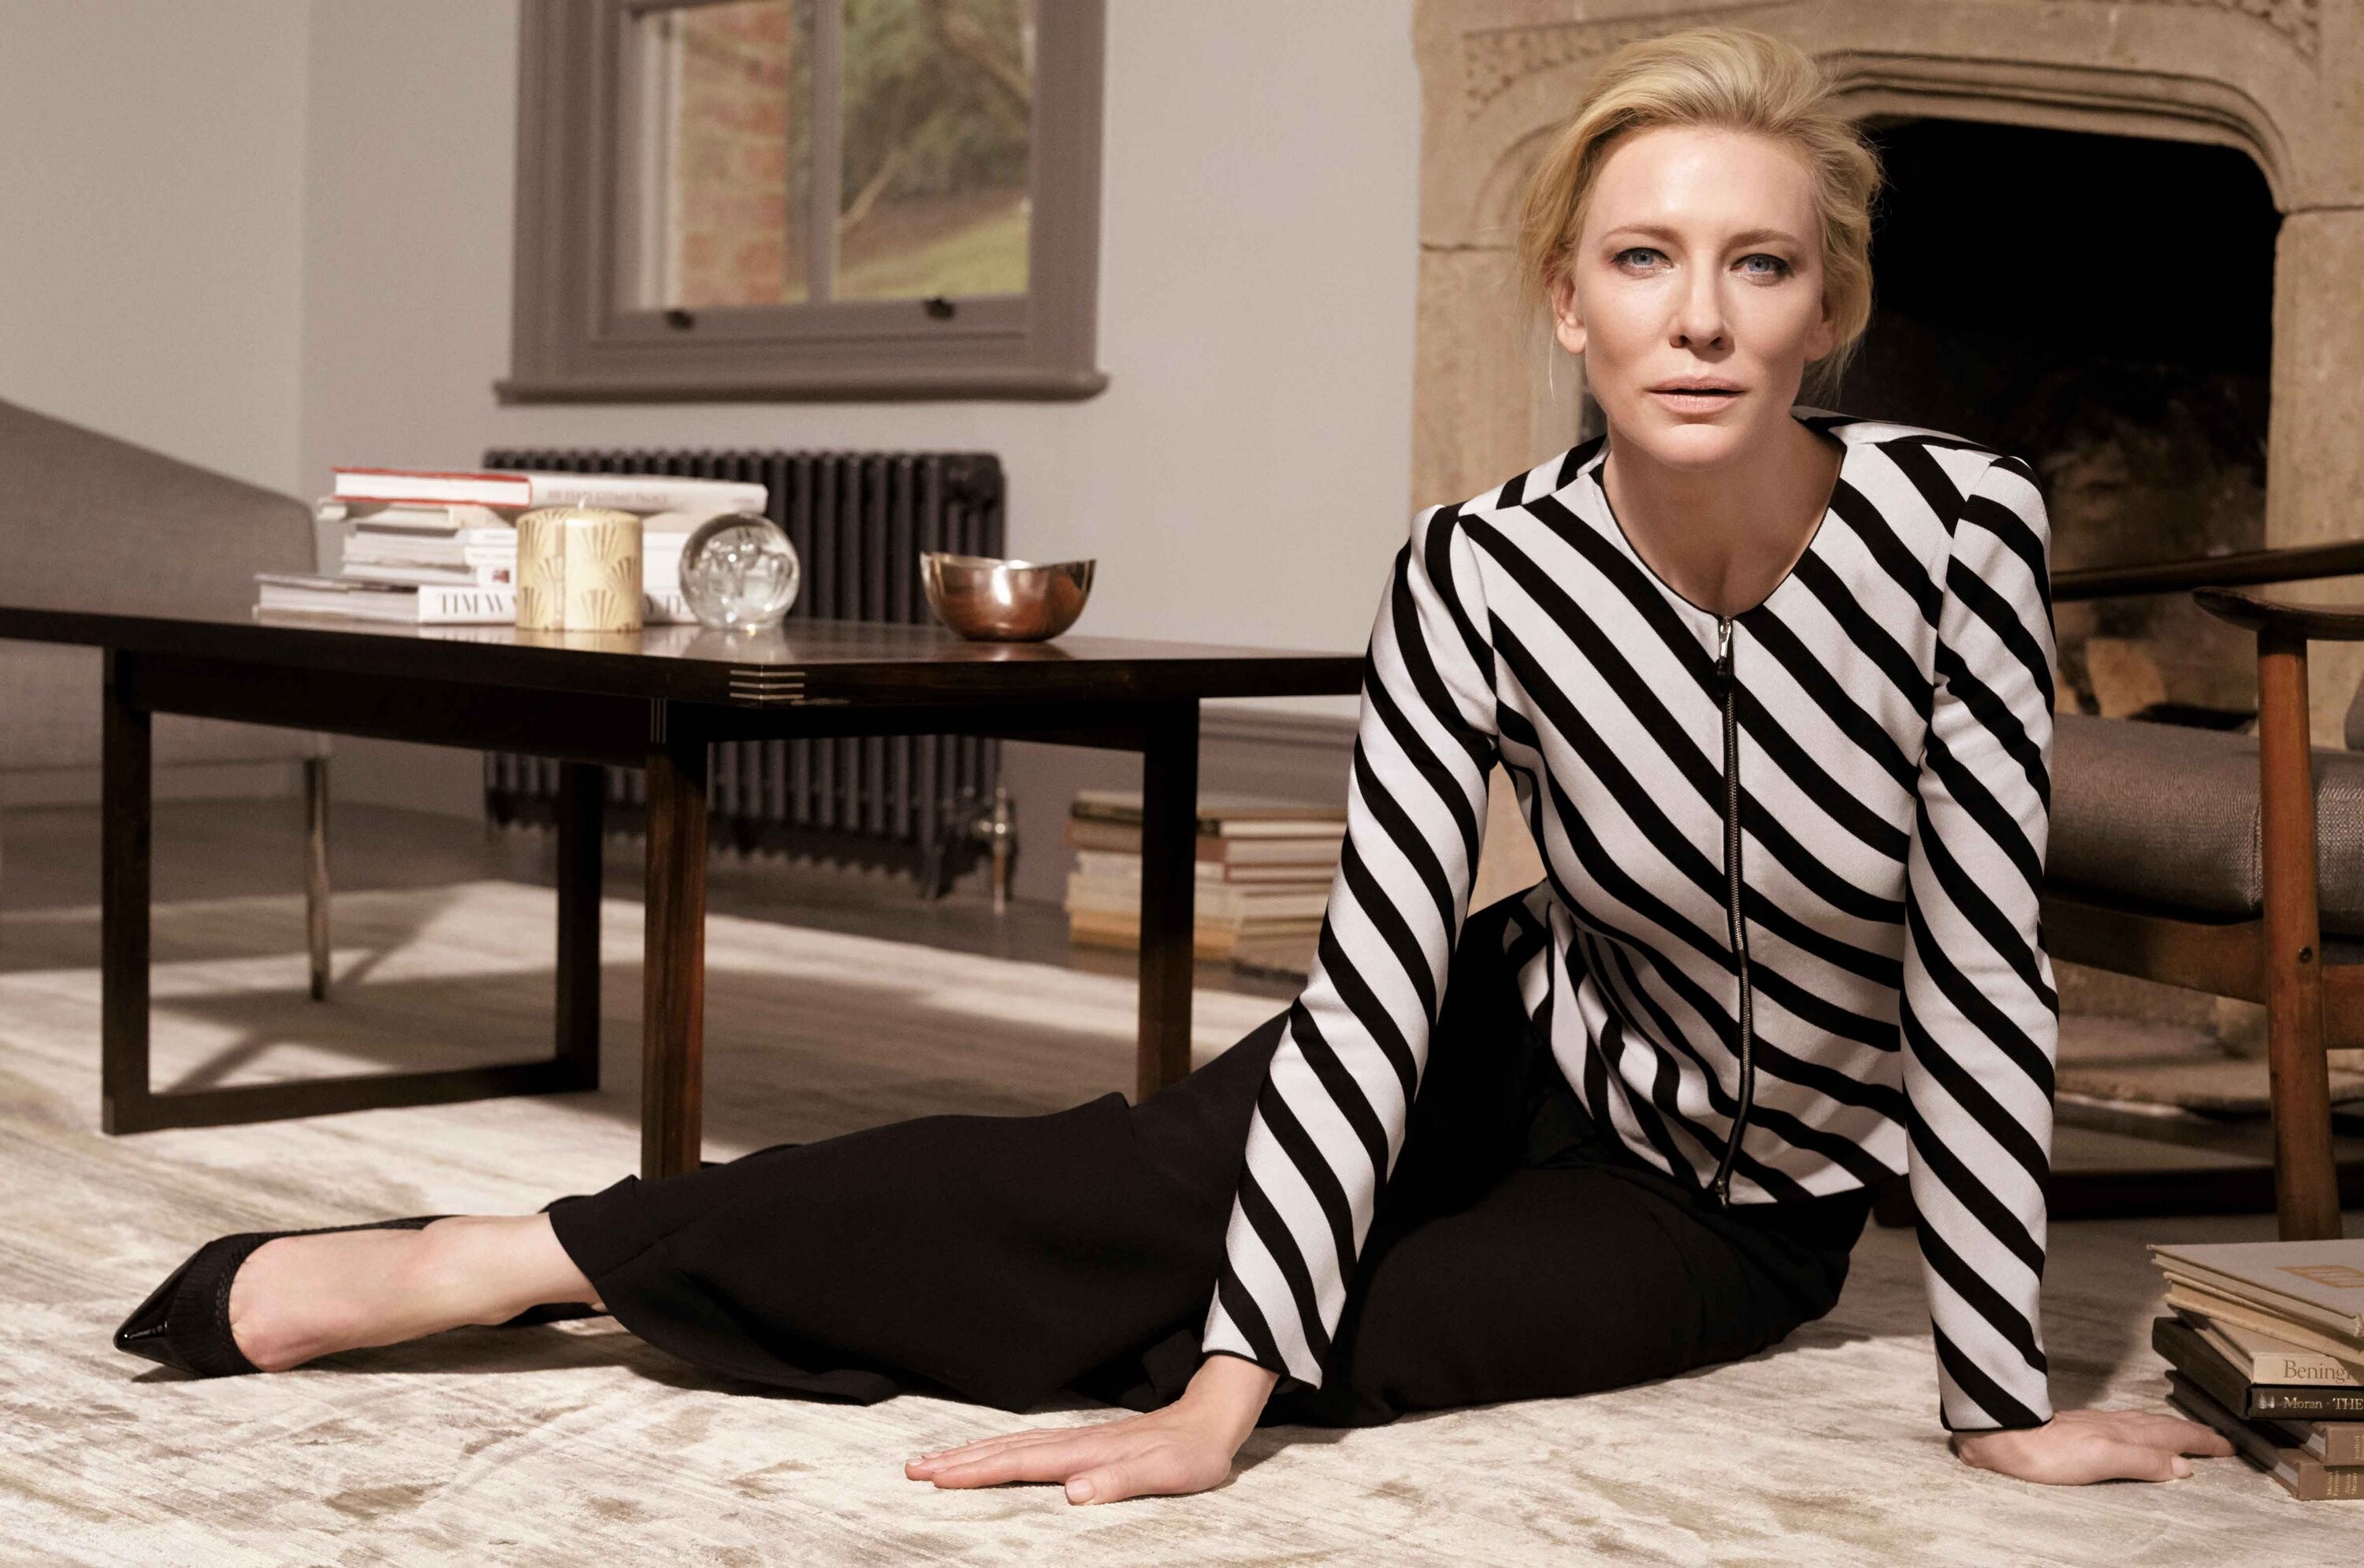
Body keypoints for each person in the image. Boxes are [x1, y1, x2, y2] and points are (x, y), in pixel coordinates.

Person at [114, 26, 2232, 1502]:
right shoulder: (1482, 570)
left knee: (1342, 1349)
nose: (1700, 318)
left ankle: (728, 1288)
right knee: (1111, 1203)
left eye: (1756, 265)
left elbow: (1978, 963)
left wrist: (1994, 1397)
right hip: (1503, 1037)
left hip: (1743, 1210)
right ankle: (518, 1255)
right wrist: (1225, 1397)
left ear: (1824, 311)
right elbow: (1380, 984)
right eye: (1643, 260)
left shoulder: (1958, 528)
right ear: (1566, 304)